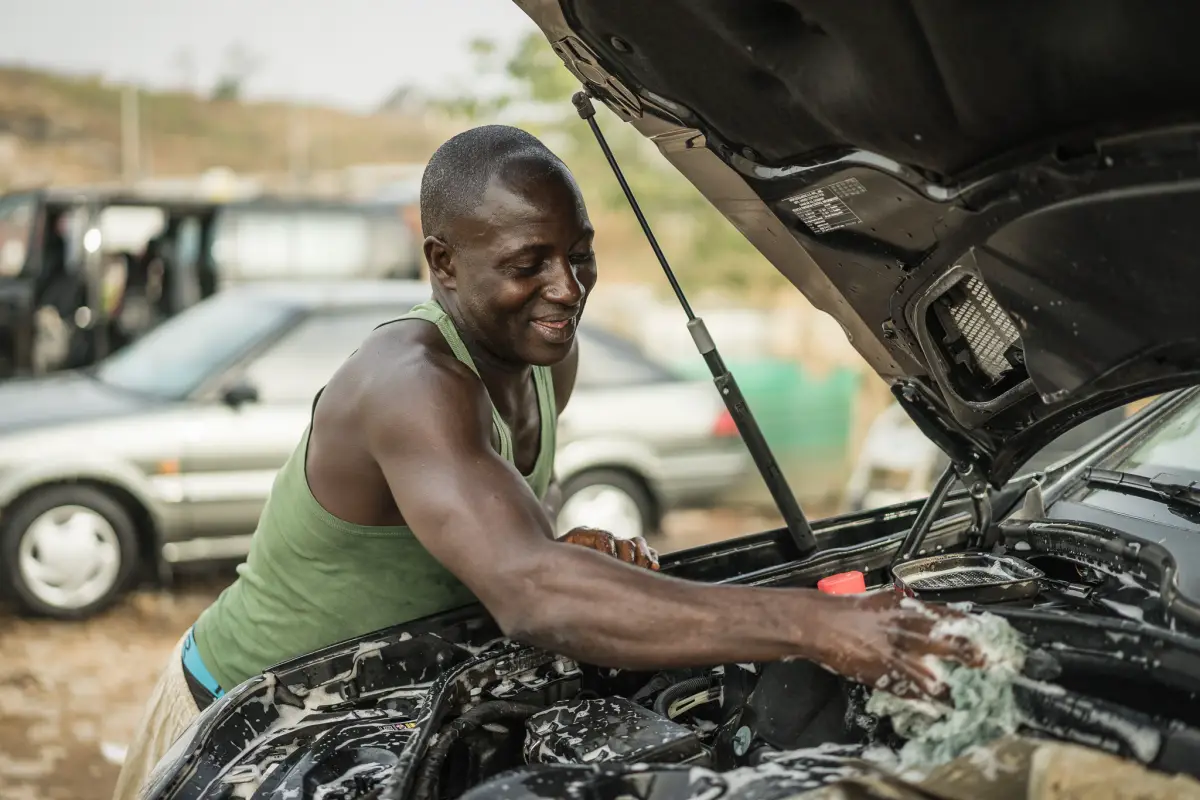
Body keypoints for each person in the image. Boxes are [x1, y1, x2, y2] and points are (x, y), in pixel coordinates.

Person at [112, 125, 984, 799]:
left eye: (580, 254)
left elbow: (499, 533)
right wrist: (821, 625)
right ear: (443, 263)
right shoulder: (408, 380)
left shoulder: (541, 353)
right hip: (252, 721)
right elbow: (530, 593)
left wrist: (564, 540)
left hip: (378, 705)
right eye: (529, 263)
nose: (567, 288)